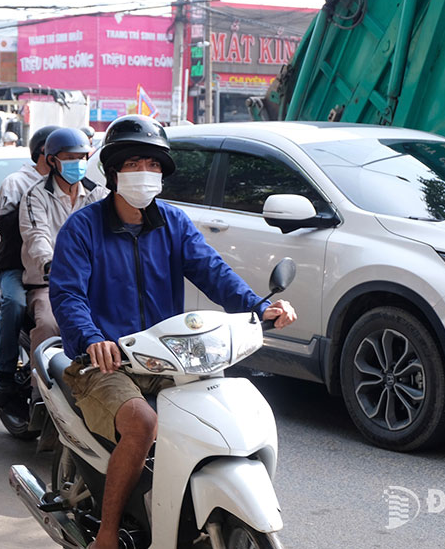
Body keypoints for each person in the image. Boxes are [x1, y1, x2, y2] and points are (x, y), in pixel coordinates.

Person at [49, 115, 297, 549]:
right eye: (134, 163)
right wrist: (92, 339)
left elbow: (214, 273)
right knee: (144, 424)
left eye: (153, 164)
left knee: (218, 416)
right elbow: (68, 296)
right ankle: (107, 535)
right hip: (104, 362)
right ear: (114, 172)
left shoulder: (173, 223)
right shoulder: (82, 229)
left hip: (169, 357)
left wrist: (260, 307)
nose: (145, 171)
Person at [19, 128, 106, 372]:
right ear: (52, 160)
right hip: (50, 283)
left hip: (92, 283)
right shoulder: (35, 195)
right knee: (48, 325)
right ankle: (40, 395)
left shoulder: (99, 194)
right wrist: (51, 264)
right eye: (69, 158)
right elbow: (36, 236)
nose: (76, 163)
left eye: (81, 158)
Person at [0, 125, 58, 391]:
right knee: (14, 303)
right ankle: (5, 369)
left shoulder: (68, 185)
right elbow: (5, 228)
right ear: (46, 153)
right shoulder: (17, 183)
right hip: (16, 266)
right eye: (65, 154)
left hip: (56, 267)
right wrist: (33, 208)